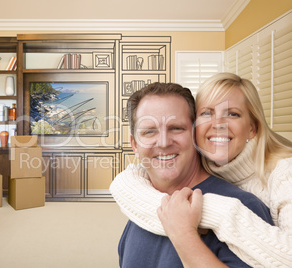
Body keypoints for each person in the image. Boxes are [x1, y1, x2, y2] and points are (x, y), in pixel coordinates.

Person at [111, 73, 292, 267]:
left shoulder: (248, 203)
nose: (163, 143)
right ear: (134, 145)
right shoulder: (141, 205)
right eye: (149, 131)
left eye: (176, 128)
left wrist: (187, 232)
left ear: (194, 134)